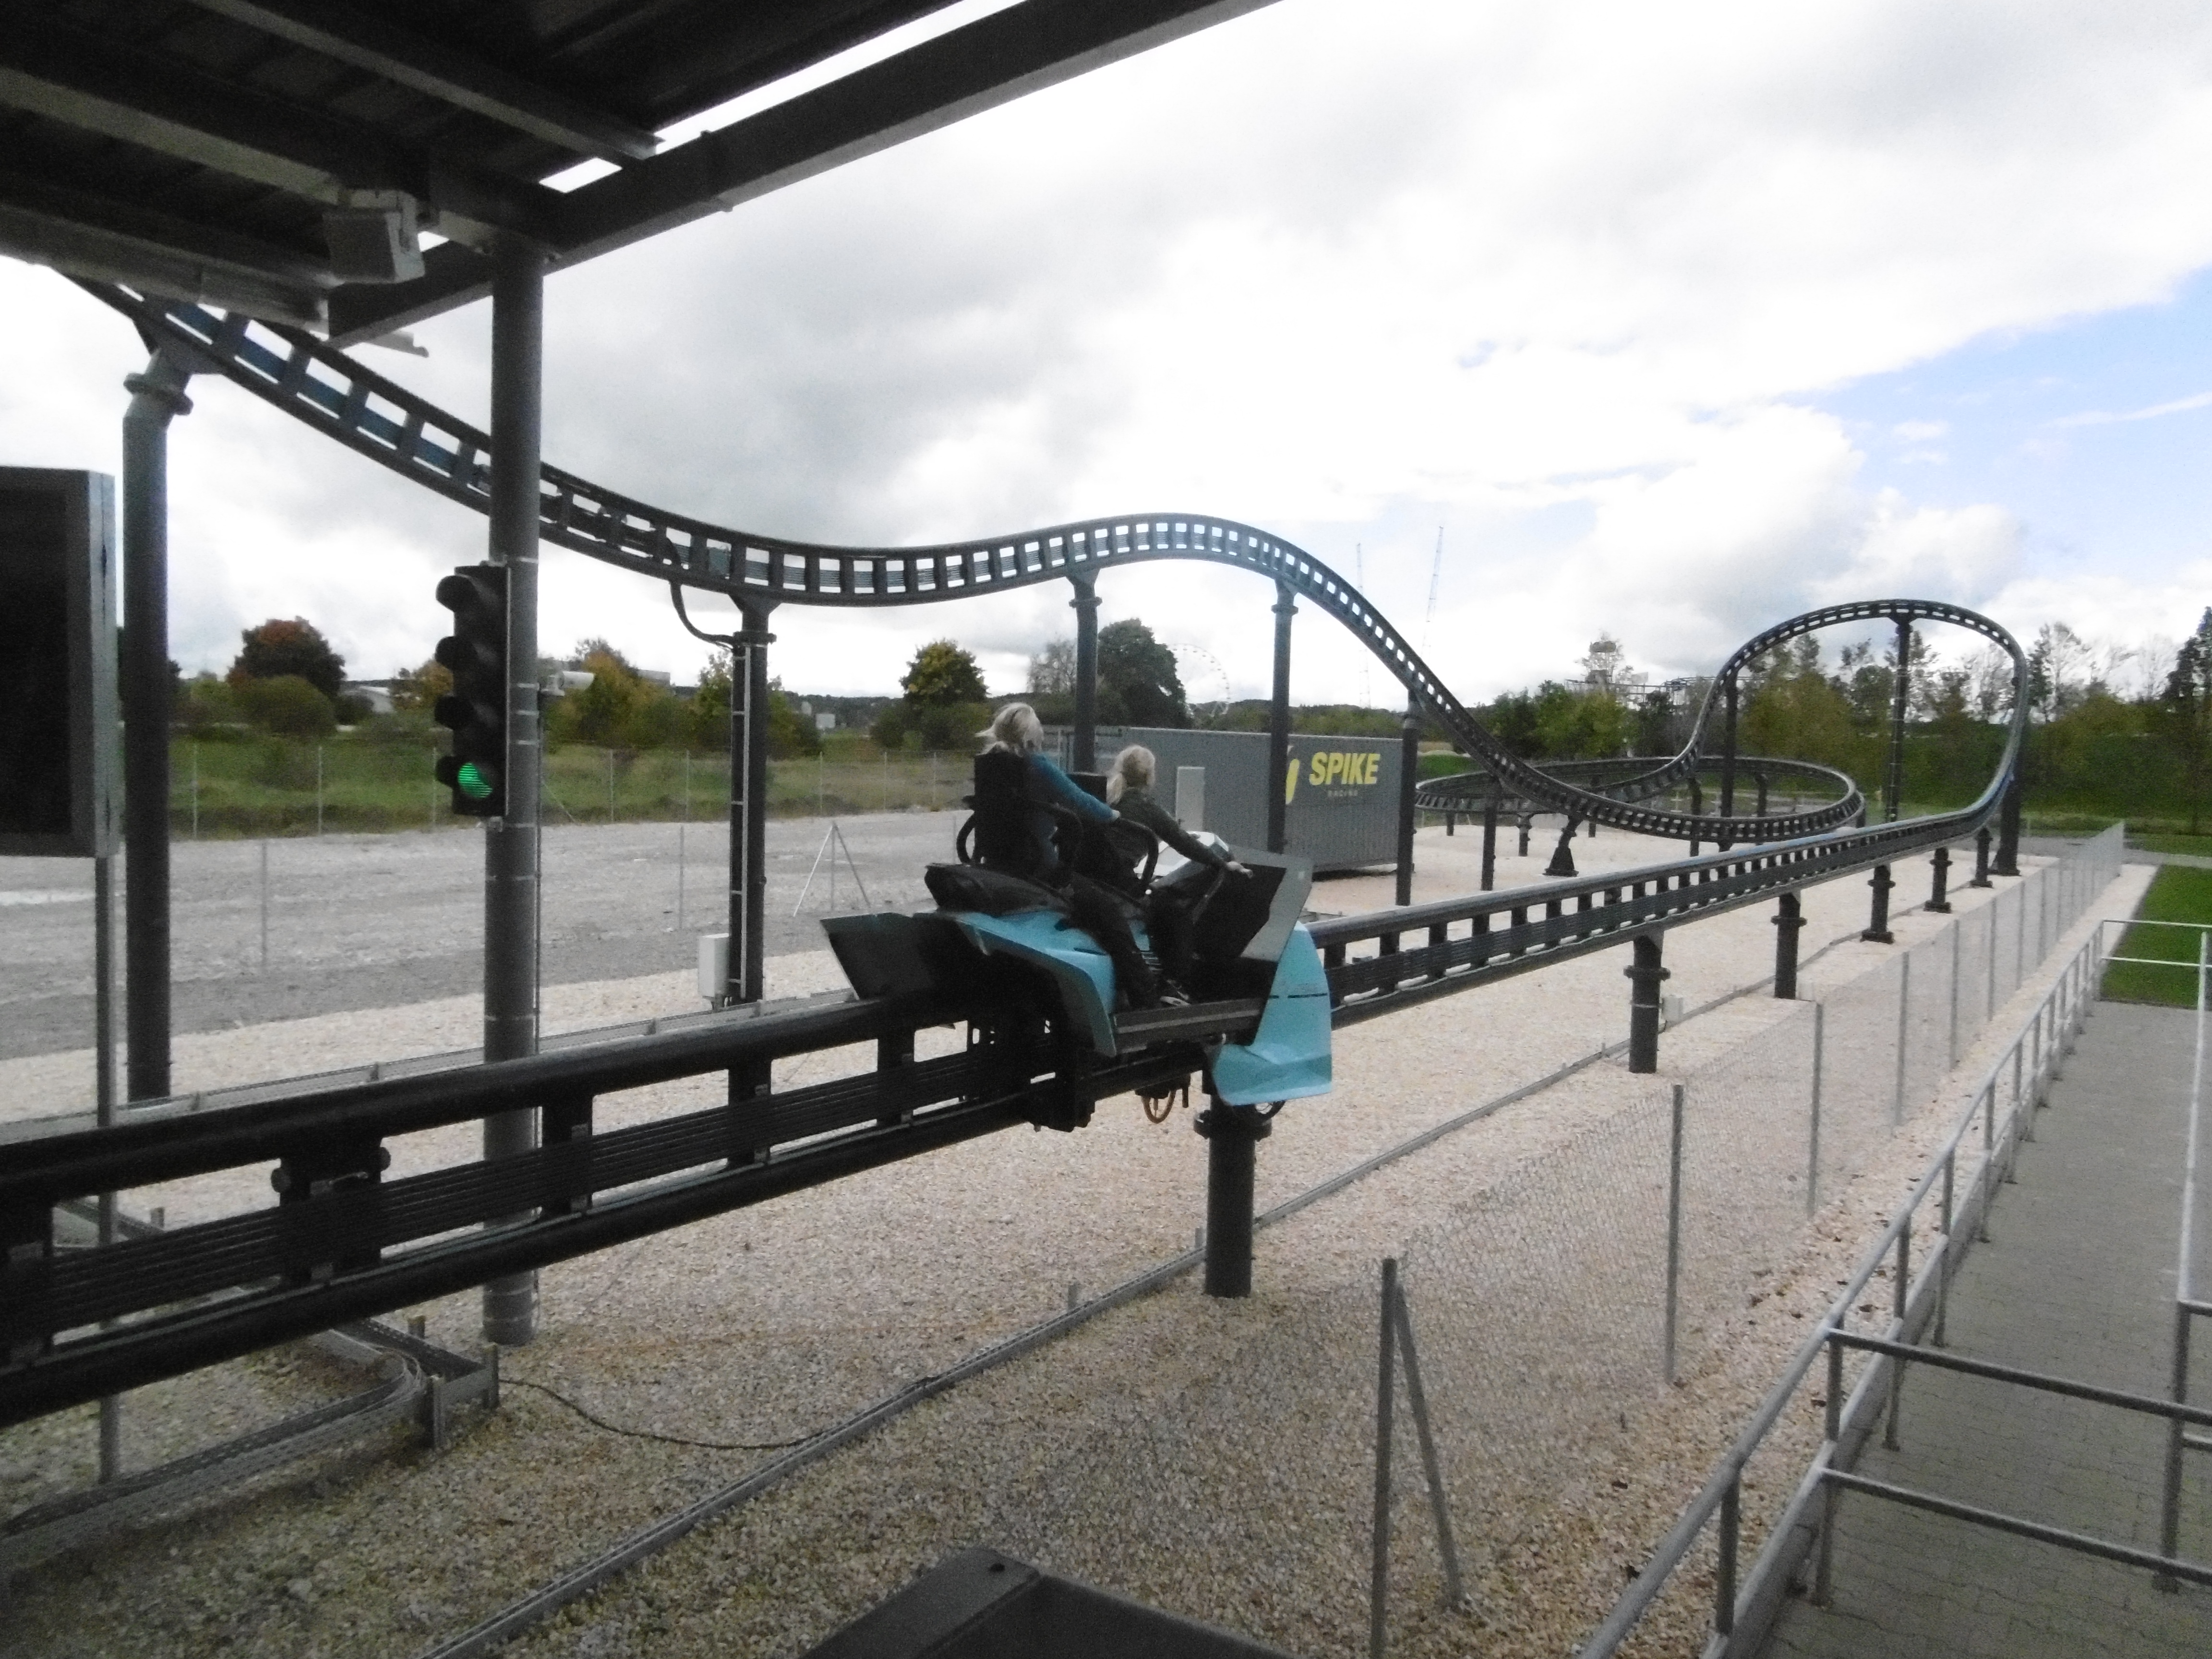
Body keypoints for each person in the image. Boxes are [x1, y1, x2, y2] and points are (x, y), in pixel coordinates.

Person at [977, 704, 1167, 1007]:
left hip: (999, 862)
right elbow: (1077, 799)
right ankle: (1144, 995)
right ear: (1032, 734)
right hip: (1039, 866)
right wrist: (1112, 815)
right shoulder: (1036, 765)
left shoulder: (990, 765)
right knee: (1107, 910)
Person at [1104, 744, 1249, 997]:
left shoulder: (1105, 798)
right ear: (1150, 776)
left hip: (1093, 876)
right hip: (1118, 884)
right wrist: (1223, 864)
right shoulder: (1146, 806)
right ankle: (1174, 983)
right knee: (1174, 913)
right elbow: (1183, 842)